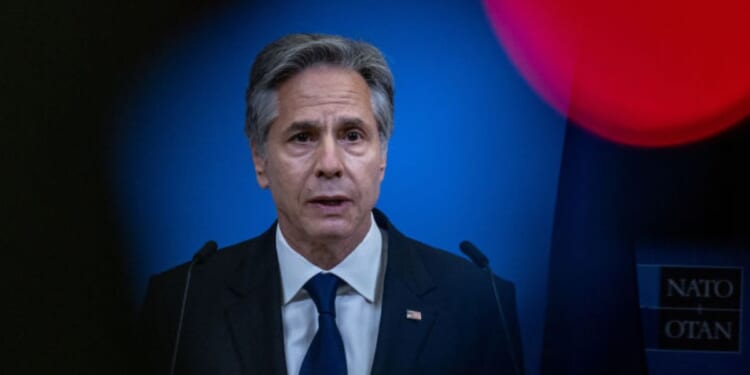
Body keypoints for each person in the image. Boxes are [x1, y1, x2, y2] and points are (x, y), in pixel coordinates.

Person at [140, 33, 524, 375]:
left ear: (382, 156)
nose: (329, 165)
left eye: (352, 135)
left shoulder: (477, 300)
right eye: (302, 137)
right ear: (260, 158)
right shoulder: (183, 301)